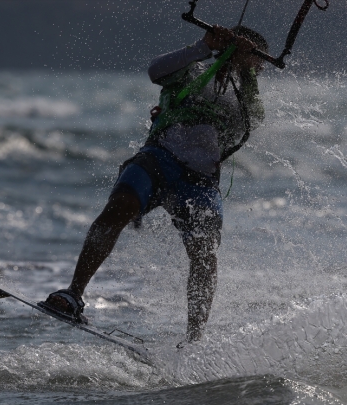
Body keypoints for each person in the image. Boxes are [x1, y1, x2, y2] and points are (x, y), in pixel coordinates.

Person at [38, 25, 268, 344]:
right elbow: (155, 70)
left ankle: (194, 339)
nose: (251, 62)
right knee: (120, 206)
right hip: (160, 157)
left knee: (204, 252)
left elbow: (253, 121)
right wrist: (204, 45)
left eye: (256, 60)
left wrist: (248, 74)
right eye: (242, 51)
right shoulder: (194, 66)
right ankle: (73, 295)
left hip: (200, 180)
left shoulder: (243, 94)